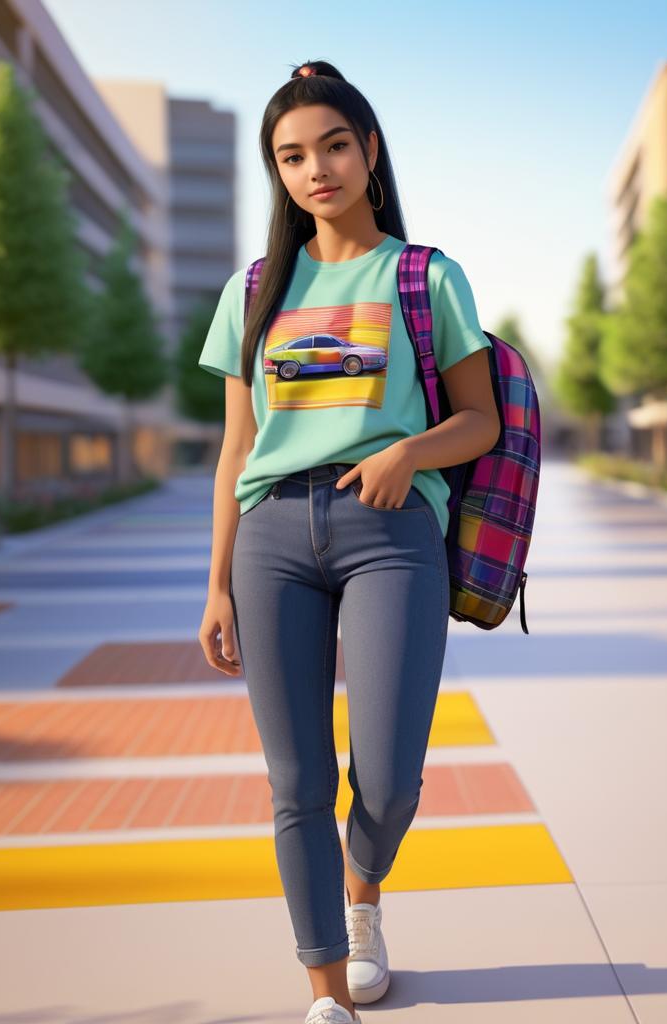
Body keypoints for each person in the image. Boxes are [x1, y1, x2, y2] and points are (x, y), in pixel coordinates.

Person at [196, 60, 500, 1024]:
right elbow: (236, 449)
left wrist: (408, 451)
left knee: (391, 767)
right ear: (278, 174)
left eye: (333, 145)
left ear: (369, 151)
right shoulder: (252, 291)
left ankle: (363, 893)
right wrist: (215, 585)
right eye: (292, 156)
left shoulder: (424, 276)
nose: (315, 169)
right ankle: (326, 986)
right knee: (297, 780)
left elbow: (481, 420)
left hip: (390, 533)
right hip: (273, 536)